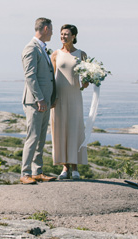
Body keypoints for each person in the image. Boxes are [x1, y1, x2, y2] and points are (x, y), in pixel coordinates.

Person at [19, 17, 58, 185]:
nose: (53, 32)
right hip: (35, 101)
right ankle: (25, 172)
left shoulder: (42, 48)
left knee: (41, 137)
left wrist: (51, 98)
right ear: (46, 29)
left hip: (45, 101)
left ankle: (37, 171)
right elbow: (30, 76)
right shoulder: (31, 48)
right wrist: (40, 98)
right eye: (52, 29)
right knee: (32, 137)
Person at [50, 24, 89, 179]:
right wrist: (52, 97)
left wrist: (87, 82)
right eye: (61, 34)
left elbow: (85, 78)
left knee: (75, 129)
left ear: (73, 36)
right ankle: (64, 168)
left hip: (74, 96)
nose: (63, 37)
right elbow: (51, 78)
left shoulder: (82, 54)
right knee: (60, 130)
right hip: (59, 97)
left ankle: (75, 168)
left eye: (66, 34)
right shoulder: (55, 54)